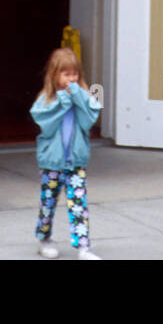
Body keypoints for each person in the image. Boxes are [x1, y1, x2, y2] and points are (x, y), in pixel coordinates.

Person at [30, 47, 103, 261]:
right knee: (48, 204)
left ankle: (83, 247)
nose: (71, 78)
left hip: (75, 163)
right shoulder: (46, 98)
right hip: (52, 163)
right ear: (55, 75)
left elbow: (89, 119)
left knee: (78, 204)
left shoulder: (85, 95)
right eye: (66, 74)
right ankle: (44, 238)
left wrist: (78, 96)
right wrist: (63, 101)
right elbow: (45, 123)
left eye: (75, 74)